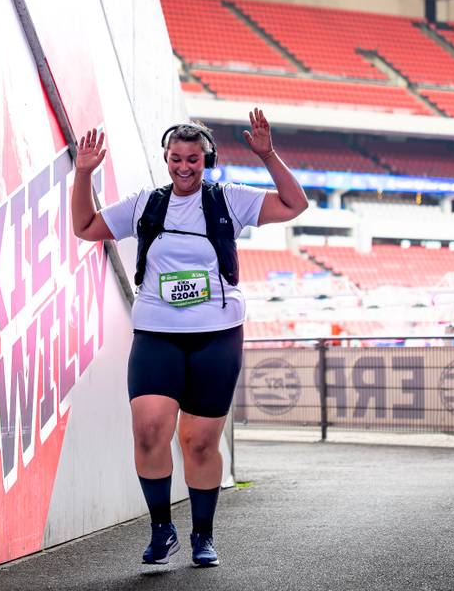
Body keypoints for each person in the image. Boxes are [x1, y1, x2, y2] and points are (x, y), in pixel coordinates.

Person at [70, 109, 308, 568]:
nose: (184, 167)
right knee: (149, 430)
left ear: (206, 160)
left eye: (194, 159)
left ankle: (203, 535)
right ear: (166, 158)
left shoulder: (229, 200)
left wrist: (268, 155)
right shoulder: (145, 205)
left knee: (199, 441)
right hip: (157, 333)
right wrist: (83, 175)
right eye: (176, 158)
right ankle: (162, 530)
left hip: (216, 336)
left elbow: (294, 204)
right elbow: (85, 227)